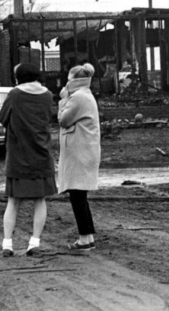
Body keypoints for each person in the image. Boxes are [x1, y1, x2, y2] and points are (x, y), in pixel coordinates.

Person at [0, 63, 56, 257]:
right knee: (40, 201)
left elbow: (2, 118)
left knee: (13, 202)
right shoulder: (48, 95)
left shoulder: (14, 95)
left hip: (18, 155)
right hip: (41, 154)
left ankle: (7, 244)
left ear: (18, 77)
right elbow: (48, 118)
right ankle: (35, 243)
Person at [57, 63, 101, 250]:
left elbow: (63, 120)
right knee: (79, 195)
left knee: (77, 196)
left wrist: (62, 100)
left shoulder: (77, 98)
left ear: (74, 80)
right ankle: (88, 236)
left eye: (68, 79)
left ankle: (84, 239)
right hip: (84, 150)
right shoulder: (86, 95)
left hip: (79, 152)